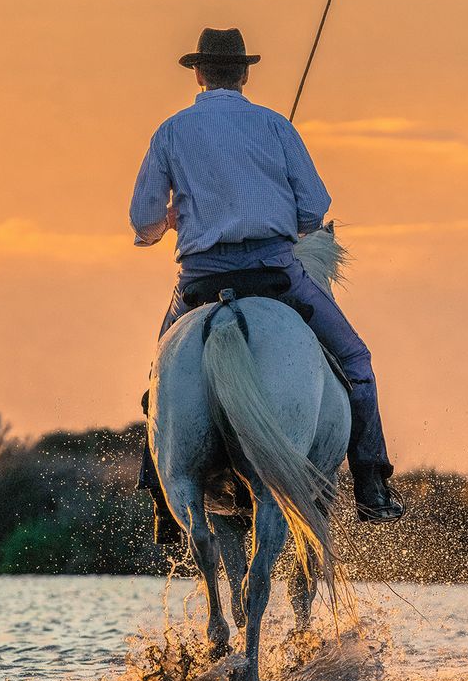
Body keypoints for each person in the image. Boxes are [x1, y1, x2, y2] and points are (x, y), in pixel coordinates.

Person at [129, 27, 404, 545]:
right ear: (245, 73)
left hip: (198, 284)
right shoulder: (275, 127)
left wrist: (168, 221)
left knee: (159, 381)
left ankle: (163, 502)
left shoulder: (169, 132)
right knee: (358, 363)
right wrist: (277, 212)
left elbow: (143, 221)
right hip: (276, 276)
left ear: (198, 73)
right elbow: (314, 208)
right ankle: (371, 486)